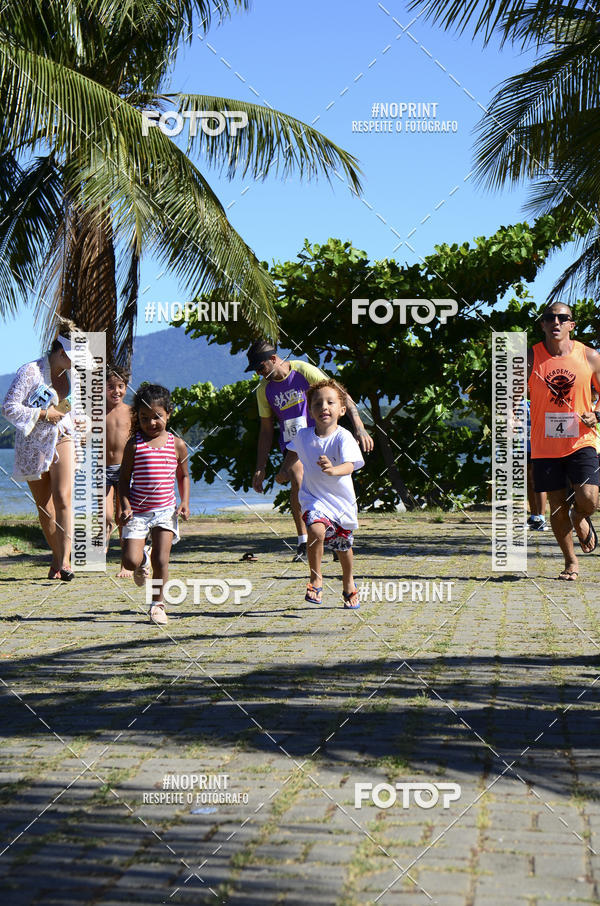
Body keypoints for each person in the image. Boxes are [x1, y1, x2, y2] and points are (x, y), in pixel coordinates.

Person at [247, 340, 373, 560]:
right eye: (257, 371)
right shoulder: (264, 389)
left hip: (323, 435)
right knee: (297, 478)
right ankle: (303, 542)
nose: (260, 374)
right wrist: (260, 466)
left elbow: (341, 395)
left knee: (330, 482)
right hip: (294, 442)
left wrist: (359, 427)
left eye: (261, 368)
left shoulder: (303, 370)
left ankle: (335, 537)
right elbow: (266, 429)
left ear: (274, 359)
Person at [2, 319, 82, 580]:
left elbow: (75, 411)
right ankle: (57, 558)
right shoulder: (30, 372)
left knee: (63, 498)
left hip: (63, 438)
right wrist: (43, 414)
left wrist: (79, 422)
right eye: (72, 357)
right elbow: (8, 408)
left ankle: (65, 562)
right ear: (61, 352)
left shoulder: (74, 376)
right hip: (33, 444)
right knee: (45, 508)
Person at [528, 302, 600, 580]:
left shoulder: (590, 356)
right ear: (543, 324)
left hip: (582, 440)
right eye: (550, 318)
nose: (555, 322)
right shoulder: (530, 357)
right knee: (556, 505)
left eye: (562, 318)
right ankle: (571, 562)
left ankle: (580, 516)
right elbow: (510, 392)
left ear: (572, 324)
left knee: (589, 499)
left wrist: (596, 413)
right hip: (545, 444)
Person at [282, 379, 364, 608]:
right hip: (313, 499)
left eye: (330, 402)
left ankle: (348, 582)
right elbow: (292, 453)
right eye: (317, 404)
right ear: (310, 410)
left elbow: (351, 465)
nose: (324, 407)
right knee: (315, 530)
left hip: (341, 504)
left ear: (342, 409)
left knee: (343, 547)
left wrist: (333, 469)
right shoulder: (303, 436)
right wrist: (282, 472)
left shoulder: (343, 437)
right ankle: (316, 578)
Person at [119, 383, 190, 625]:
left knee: (162, 560)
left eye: (157, 416)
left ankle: (157, 605)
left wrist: (185, 502)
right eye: (144, 417)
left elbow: (183, 476)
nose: (151, 423)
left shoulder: (176, 444)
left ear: (169, 413)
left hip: (165, 511)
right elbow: (123, 479)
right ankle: (142, 560)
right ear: (137, 417)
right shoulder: (134, 445)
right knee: (129, 561)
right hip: (138, 512)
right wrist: (125, 505)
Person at [105, 364, 132, 577]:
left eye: (120, 386)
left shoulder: (130, 412)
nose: (116, 391)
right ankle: (102, 543)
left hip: (125, 470)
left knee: (124, 516)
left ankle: (126, 563)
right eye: (111, 386)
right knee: (106, 516)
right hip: (102, 469)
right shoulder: (96, 412)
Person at [526, 399, 548, 531]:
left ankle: (542, 517)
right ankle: (534, 516)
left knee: (538, 479)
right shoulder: (519, 401)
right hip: (524, 445)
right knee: (529, 480)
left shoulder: (542, 397)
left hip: (540, 444)